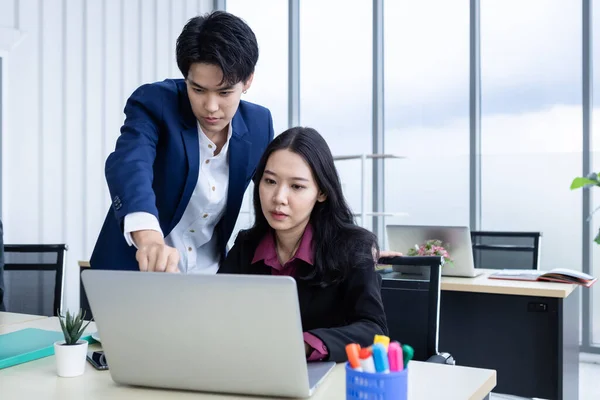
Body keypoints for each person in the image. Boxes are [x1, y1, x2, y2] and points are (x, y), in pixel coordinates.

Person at [90, 11, 273, 273]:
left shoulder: (259, 125)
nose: (211, 107)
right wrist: (149, 239)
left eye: (224, 92)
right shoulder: (156, 102)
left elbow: (276, 190)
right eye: (197, 89)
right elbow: (130, 163)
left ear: (248, 81)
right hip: (134, 274)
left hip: (208, 279)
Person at [218, 127, 389, 362]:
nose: (278, 197)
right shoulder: (246, 246)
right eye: (270, 181)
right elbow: (215, 315)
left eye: (296, 186)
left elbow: (374, 330)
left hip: (327, 380)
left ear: (321, 192)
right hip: (252, 370)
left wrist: (307, 345)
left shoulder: (352, 247)